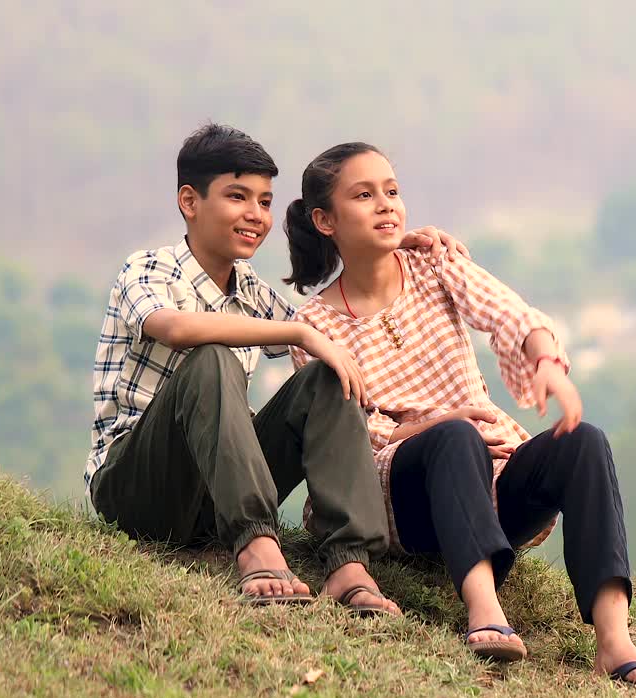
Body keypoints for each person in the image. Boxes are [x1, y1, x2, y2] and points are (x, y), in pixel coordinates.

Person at [284, 142, 636, 691]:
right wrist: (440, 424)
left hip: (489, 482)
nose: (386, 205)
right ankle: (483, 609)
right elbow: (351, 435)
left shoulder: (433, 264)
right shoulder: (315, 326)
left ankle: (614, 640)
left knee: (583, 441)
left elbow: (508, 312)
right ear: (324, 220)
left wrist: (547, 362)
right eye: (364, 195)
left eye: (392, 191)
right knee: (455, 436)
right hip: (402, 500)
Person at [85, 124, 464, 616]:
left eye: (264, 202)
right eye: (237, 197)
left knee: (326, 375)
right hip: (137, 488)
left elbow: (329, 324)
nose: (254, 215)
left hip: (212, 494)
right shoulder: (148, 269)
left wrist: (390, 246)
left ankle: (349, 562)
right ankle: (256, 544)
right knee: (213, 355)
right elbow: (176, 328)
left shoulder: (253, 292)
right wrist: (299, 334)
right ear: (189, 201)